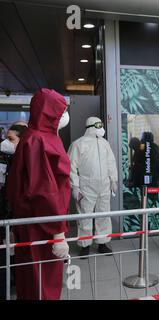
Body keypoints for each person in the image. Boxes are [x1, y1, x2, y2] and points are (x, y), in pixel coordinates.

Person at [6, 88, 71, 300]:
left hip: (37, 223)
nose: (63, 116)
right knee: (41, 283)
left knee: (35, 280)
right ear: (49, 111)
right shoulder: (37, 140)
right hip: (41, 226)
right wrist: (57, 231)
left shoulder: (41, 137)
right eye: (60, 110)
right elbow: (44, 189)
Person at [68, 117, 118, 258]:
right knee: (85, 215)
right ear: (91, 126)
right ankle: (85, 246)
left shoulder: (104, 144)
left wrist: (113, 180)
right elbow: (71, 166)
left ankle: (102, 243)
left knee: (104, 214)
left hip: (104, 185)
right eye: (99, 125)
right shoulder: (78, 144)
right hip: (86, 185)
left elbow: (111, 163)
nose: (102, 128)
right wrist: (75, 186)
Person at [0, 124, 27, 300]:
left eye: (11, 139)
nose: (5, 143)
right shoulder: (5, 160)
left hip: (19, 220)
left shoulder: (26, 164)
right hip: (5, 218)